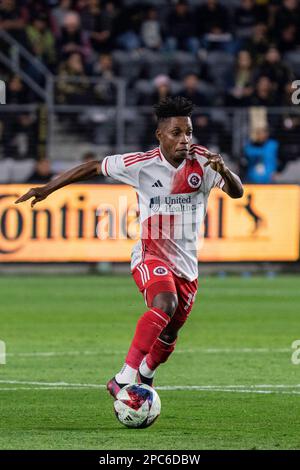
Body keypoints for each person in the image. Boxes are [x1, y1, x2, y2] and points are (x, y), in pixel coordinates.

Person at [15, 96, 243, 397]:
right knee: (165, 303)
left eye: (188, 132)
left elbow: (236, 193)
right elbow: (94, 166)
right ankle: (124, 377)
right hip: (150, 254)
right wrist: (47, 188)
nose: (184, 139)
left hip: (188, 265)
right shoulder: (142, 164)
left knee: (171, 331)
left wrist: (224, 171)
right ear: (160, 135)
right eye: (176, 133)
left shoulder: (204, 162)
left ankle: (146, 375)